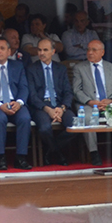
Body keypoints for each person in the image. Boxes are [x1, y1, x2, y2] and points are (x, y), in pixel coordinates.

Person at [0, 38, 32, 171]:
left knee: (25, 118)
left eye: (2, 48)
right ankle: (0, 157)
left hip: (15, 103)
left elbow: (24, 87)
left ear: (9, 51)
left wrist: (19, 103)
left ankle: (21, 157)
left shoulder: (18, 66)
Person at [71, 39, 112, 166]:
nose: (90, 52)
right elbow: (76, 90)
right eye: (88, 49)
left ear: (102, 52)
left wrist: (110, 100)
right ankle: (94, 152)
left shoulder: (111, 67)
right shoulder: (79, 68)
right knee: (88, 118)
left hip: (108, 103)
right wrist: (90, 102)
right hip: (89, 104)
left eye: (94, 50)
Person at [26, 37, 77, 166]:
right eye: (39, 50)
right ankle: (58, 154)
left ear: (53, 52)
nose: (41, 53)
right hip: (41, 106)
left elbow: (68, 92)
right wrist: (48, 110)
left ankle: (50, 151)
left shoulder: (61, 68)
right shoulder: (31, 69)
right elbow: (32, 96)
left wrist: (62, 108)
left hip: (60, 105)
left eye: (45, 50)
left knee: (76, 126)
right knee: (44, 128)